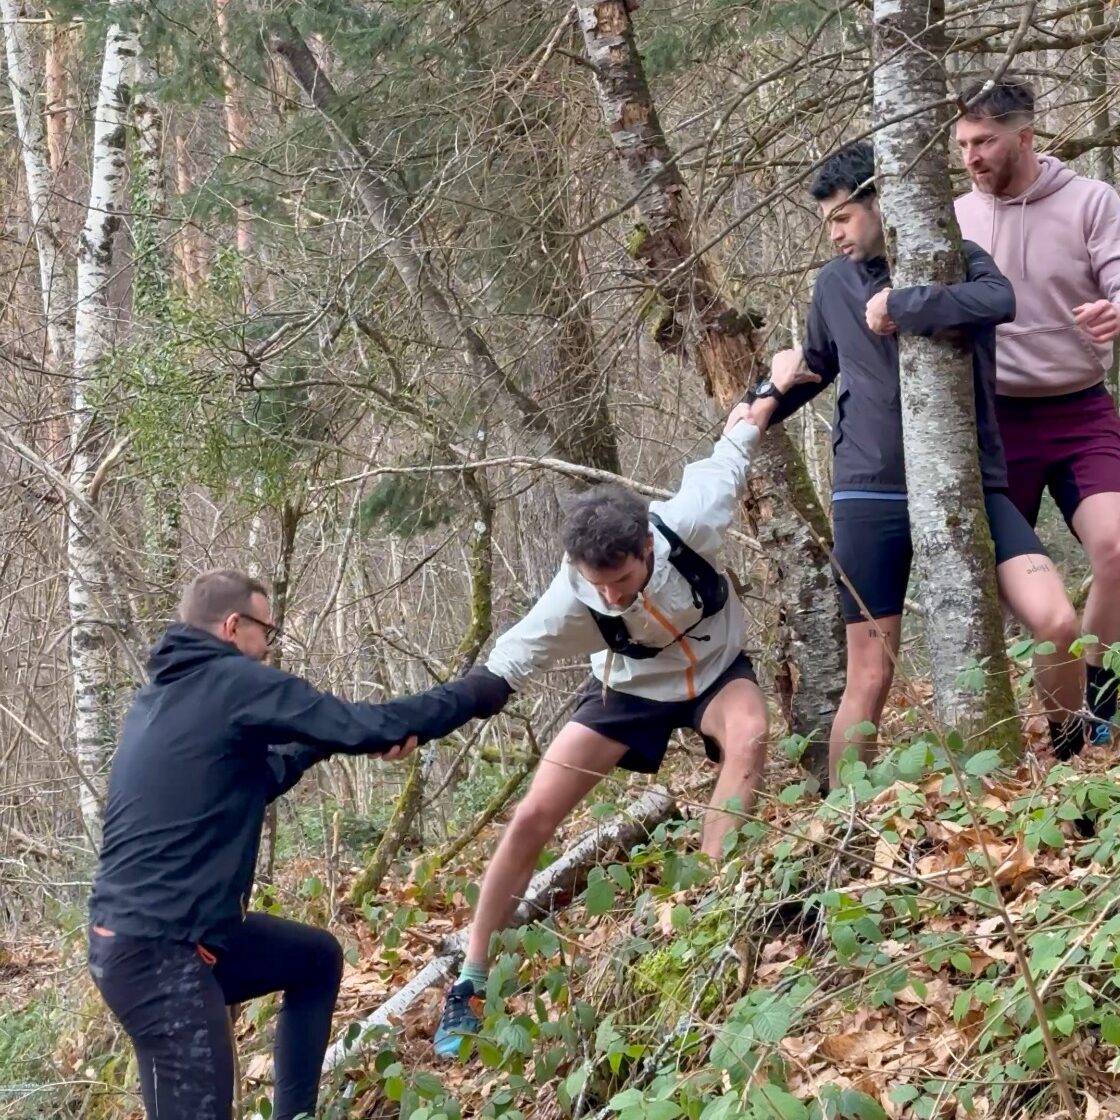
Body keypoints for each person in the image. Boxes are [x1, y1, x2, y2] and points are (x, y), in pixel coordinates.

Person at [87, 569, 508, 1120]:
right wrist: (475, 693)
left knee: (313, 960)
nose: (268, 648)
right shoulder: (233, 680)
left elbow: (257, 777)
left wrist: (324, 743)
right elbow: (367, 723)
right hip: (160, 956)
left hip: (162, 939)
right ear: (234, 626)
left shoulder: (164, 697)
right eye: (267, 631)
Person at [433, 401, 774, 1058]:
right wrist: (436, 714)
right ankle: (471, 980)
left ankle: (703, 916)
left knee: (752, 736)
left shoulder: (690, 521)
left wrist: (773, 387)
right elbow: (507, 663)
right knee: (534, 813)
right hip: (626, 690)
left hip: (714, 669)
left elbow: (731, 450)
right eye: (599, 586)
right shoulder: (575, 593)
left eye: (621, 581)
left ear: (646, 547)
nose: (612, 597)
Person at [749, 141, 1085, 784]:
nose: (836, 234)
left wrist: (903, 305)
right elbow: (816, 364)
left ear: (881, 201)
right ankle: (843, 824)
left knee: (1056, 618)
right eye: (827, 223)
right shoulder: (832, 283)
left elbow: (999, 301)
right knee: (870, 674)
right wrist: (759, 401)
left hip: (967, 484)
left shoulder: (954, 258)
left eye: (843, 217)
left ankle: (1072, 762)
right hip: (869, 493)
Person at [954, 78, 1120, 745]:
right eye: (962, 143)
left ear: (1025, 136)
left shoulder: (1089, 201)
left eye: (985, 141)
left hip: (1078, 411)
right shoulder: (954, 216)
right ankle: (1053, 727)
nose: (971, 156)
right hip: (991, 423)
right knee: (1004, 590)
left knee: (1115, 548)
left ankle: (1099, 685)